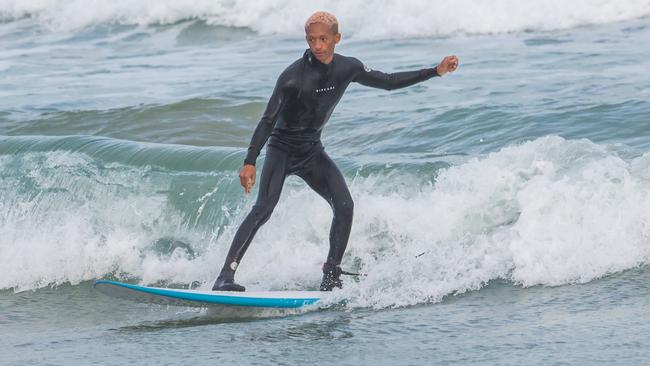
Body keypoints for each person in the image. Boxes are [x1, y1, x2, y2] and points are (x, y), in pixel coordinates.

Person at [213, 11, 459, 292]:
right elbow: (268, 120)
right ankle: (225, 276)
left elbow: (388, 81)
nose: (317, 45)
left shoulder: (347, 68)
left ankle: (331, 275)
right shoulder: (292, 78)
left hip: (312, 152)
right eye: (311, 39)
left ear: (336, 39)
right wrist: (249, 161)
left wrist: (435, 71)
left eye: (323, 39)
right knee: (264, 208)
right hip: (282, 150)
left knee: (344, 206)